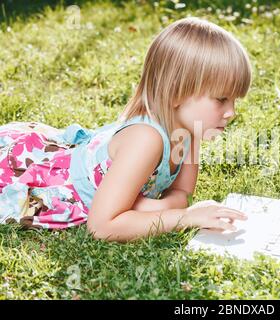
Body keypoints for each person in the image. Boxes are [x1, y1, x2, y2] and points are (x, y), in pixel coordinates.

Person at [0, 17, 251, 242]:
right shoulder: (146, 139)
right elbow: (103, 226)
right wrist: (184, 217)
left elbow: (182, 193)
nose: (231, 112)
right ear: (178, 93)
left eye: (233, 100)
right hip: (46, 175)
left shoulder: (190, 133)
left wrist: (148, 206)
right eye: (221, 99)